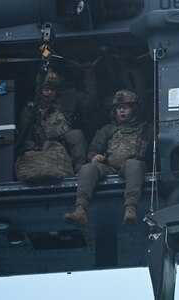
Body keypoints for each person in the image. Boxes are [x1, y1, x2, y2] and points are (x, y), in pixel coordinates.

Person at [63, 90, 154, 226]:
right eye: (118, 108)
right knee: (88, 168)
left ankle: (130, 208)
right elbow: (93, 149)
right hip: (109, 167)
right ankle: (81, 210)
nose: (122, 111)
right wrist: (94, 157)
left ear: (134, 109)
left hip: (131, 166)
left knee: (133, 165)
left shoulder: (147, 129)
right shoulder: (107, 129)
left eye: (126, 107)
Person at [16, 67, 94, 176]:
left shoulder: (66, 103)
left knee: (76, 134)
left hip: (65, 146)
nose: (49, 92)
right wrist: (37, 148)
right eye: (46, 89)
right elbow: (25, 139)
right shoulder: (30, 110)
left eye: (52, 90)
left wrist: (88, 73)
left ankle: (80, 171)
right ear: (39, 89)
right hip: (43, 149)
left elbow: (89, 100)